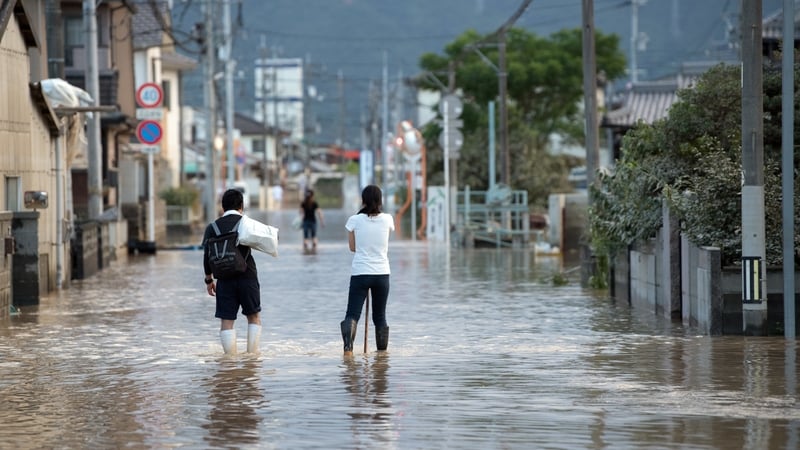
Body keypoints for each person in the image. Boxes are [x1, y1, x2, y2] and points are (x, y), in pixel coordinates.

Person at [202, 188, 262, 355]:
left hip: (224, 279)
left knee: (227, 321)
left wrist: (209, 280)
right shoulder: (246, 223)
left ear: (222, 207)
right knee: (253, 317)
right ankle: (252, 358)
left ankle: (229, 362)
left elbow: (207, 256)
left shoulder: (212, 227)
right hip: (247, 276)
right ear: (241, 205)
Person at [340, 185, 394, 355]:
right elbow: (383, 244)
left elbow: (352, 248)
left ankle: (348, 350)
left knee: (352, 314)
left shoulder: (354, 221)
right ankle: (382, 356)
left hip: (360, 273)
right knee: (380, 317)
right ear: (380, 200)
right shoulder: (388, 219)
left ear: (363, 200)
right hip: (382, 273)